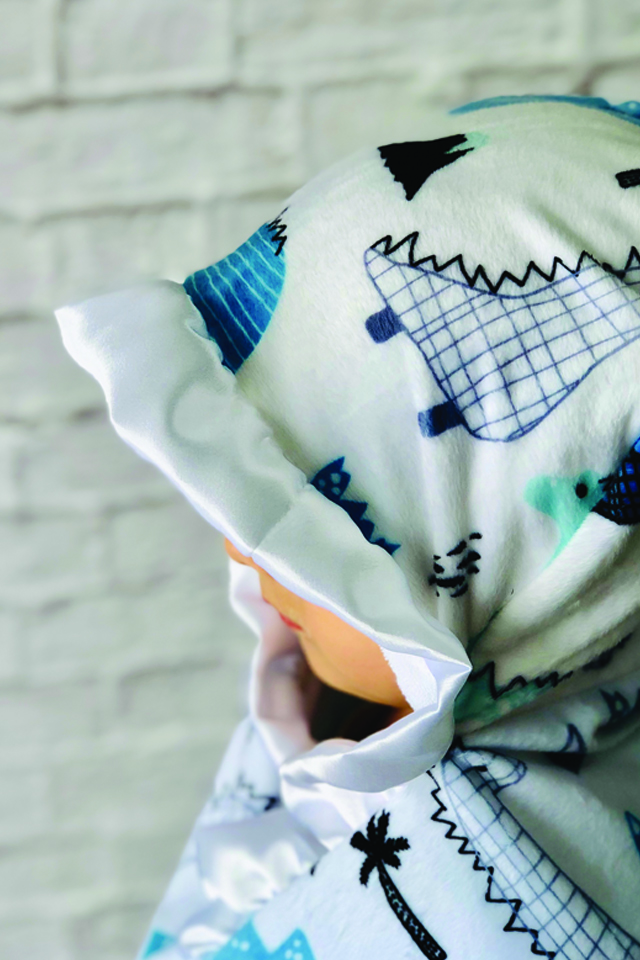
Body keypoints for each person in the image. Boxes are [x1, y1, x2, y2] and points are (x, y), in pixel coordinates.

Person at [55, 94, 640, 960]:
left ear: (567, 582)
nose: (238, 551)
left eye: (320, 533)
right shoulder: (349, 705)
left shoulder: (513, 907)